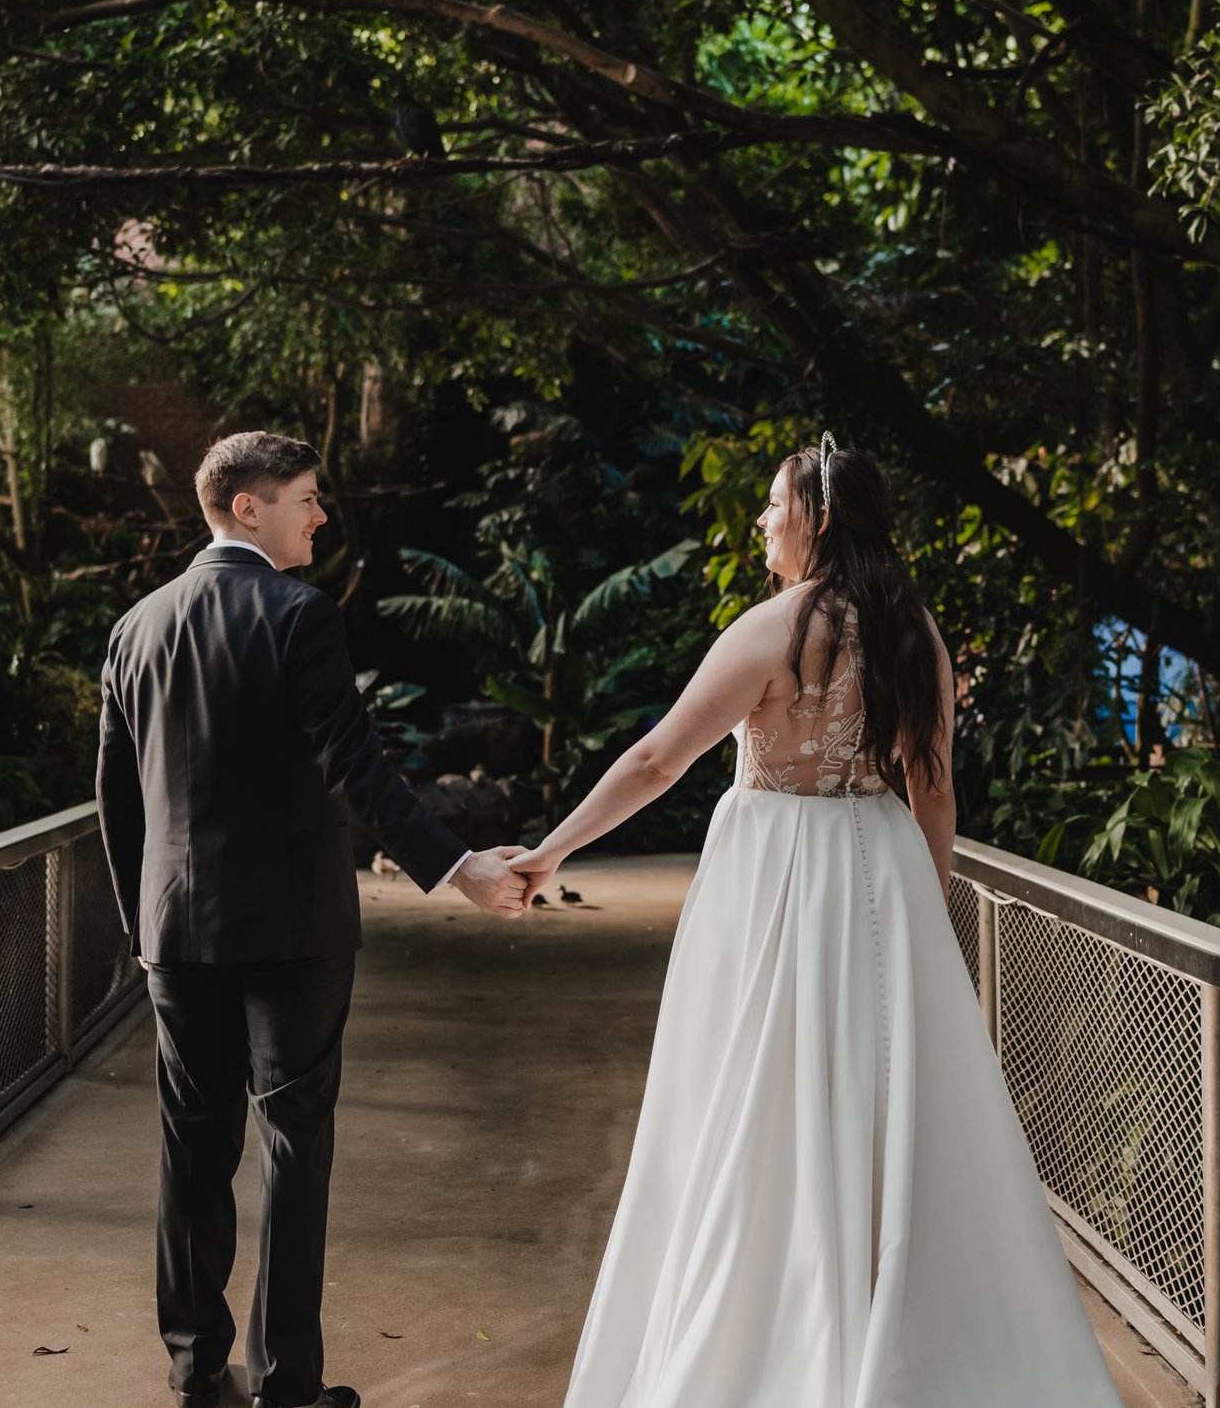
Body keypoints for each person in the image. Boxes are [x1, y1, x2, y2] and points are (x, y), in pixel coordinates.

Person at [509, 440, 1118, 1406]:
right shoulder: (916, 631)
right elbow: (936, 790)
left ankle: (772, 1331)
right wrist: (930, 910)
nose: (760, 522)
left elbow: (659, 759)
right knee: (883, 1105)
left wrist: (552, 848)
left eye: (772, 505)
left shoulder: (772, 629)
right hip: (883, 873)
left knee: (753, 1090)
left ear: (818, 518)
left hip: (772, 876)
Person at [97, 430, 532, 1408]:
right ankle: (287, 1380)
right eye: (305, 497)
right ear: (248, 508)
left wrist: (141, 924)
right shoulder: (299, 616)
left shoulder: (136, 627)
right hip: (293, 931)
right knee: (292, 1140)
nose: (320, 514)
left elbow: (116, 802)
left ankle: (192, 1364)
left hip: (176, 932)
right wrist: (456, 867)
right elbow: (353, 767)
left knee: (192, 1140)